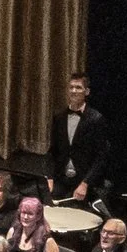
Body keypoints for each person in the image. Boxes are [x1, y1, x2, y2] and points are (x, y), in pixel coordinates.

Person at [48, 72, 111, 202]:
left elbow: (101, 157)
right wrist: (49, 178)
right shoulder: (59, 117)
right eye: (71, 87)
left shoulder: (96, 119)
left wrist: (85, 184)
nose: (74, 91)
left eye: (78, 87)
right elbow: (52, 152)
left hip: (83, 181)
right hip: (61, 179)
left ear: (87, 92)